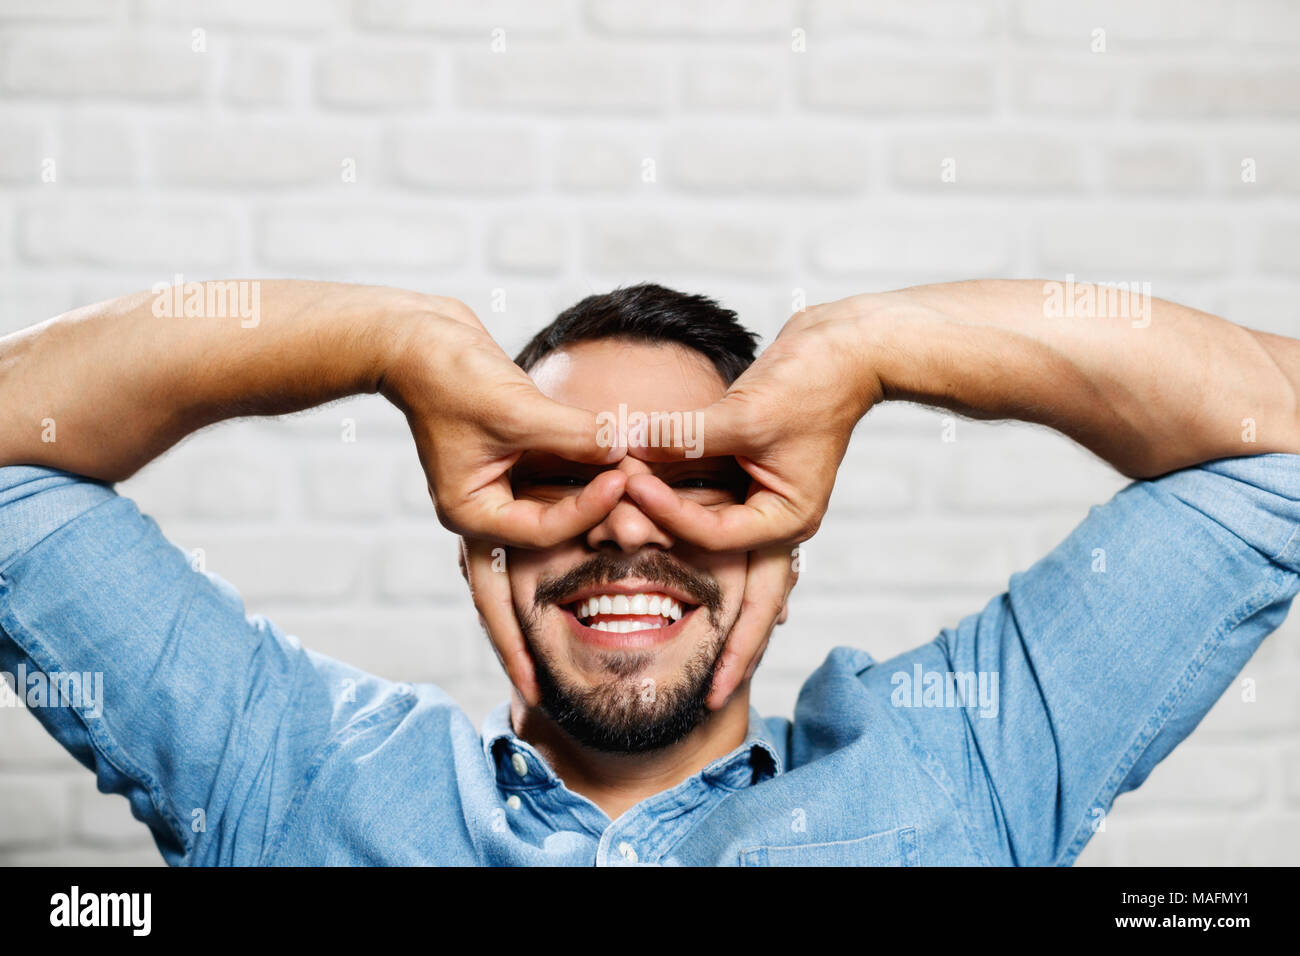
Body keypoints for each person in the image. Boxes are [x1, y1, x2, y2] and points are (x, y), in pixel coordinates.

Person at [1, 278, 1297, 866]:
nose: (630, 527)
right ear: (483, 534)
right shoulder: (288, 770)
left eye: (705, 477)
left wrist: (873, 345)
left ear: (784, 541)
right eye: (559, 474)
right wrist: (390, 342)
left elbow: (1280, 439)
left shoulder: (965, 770)